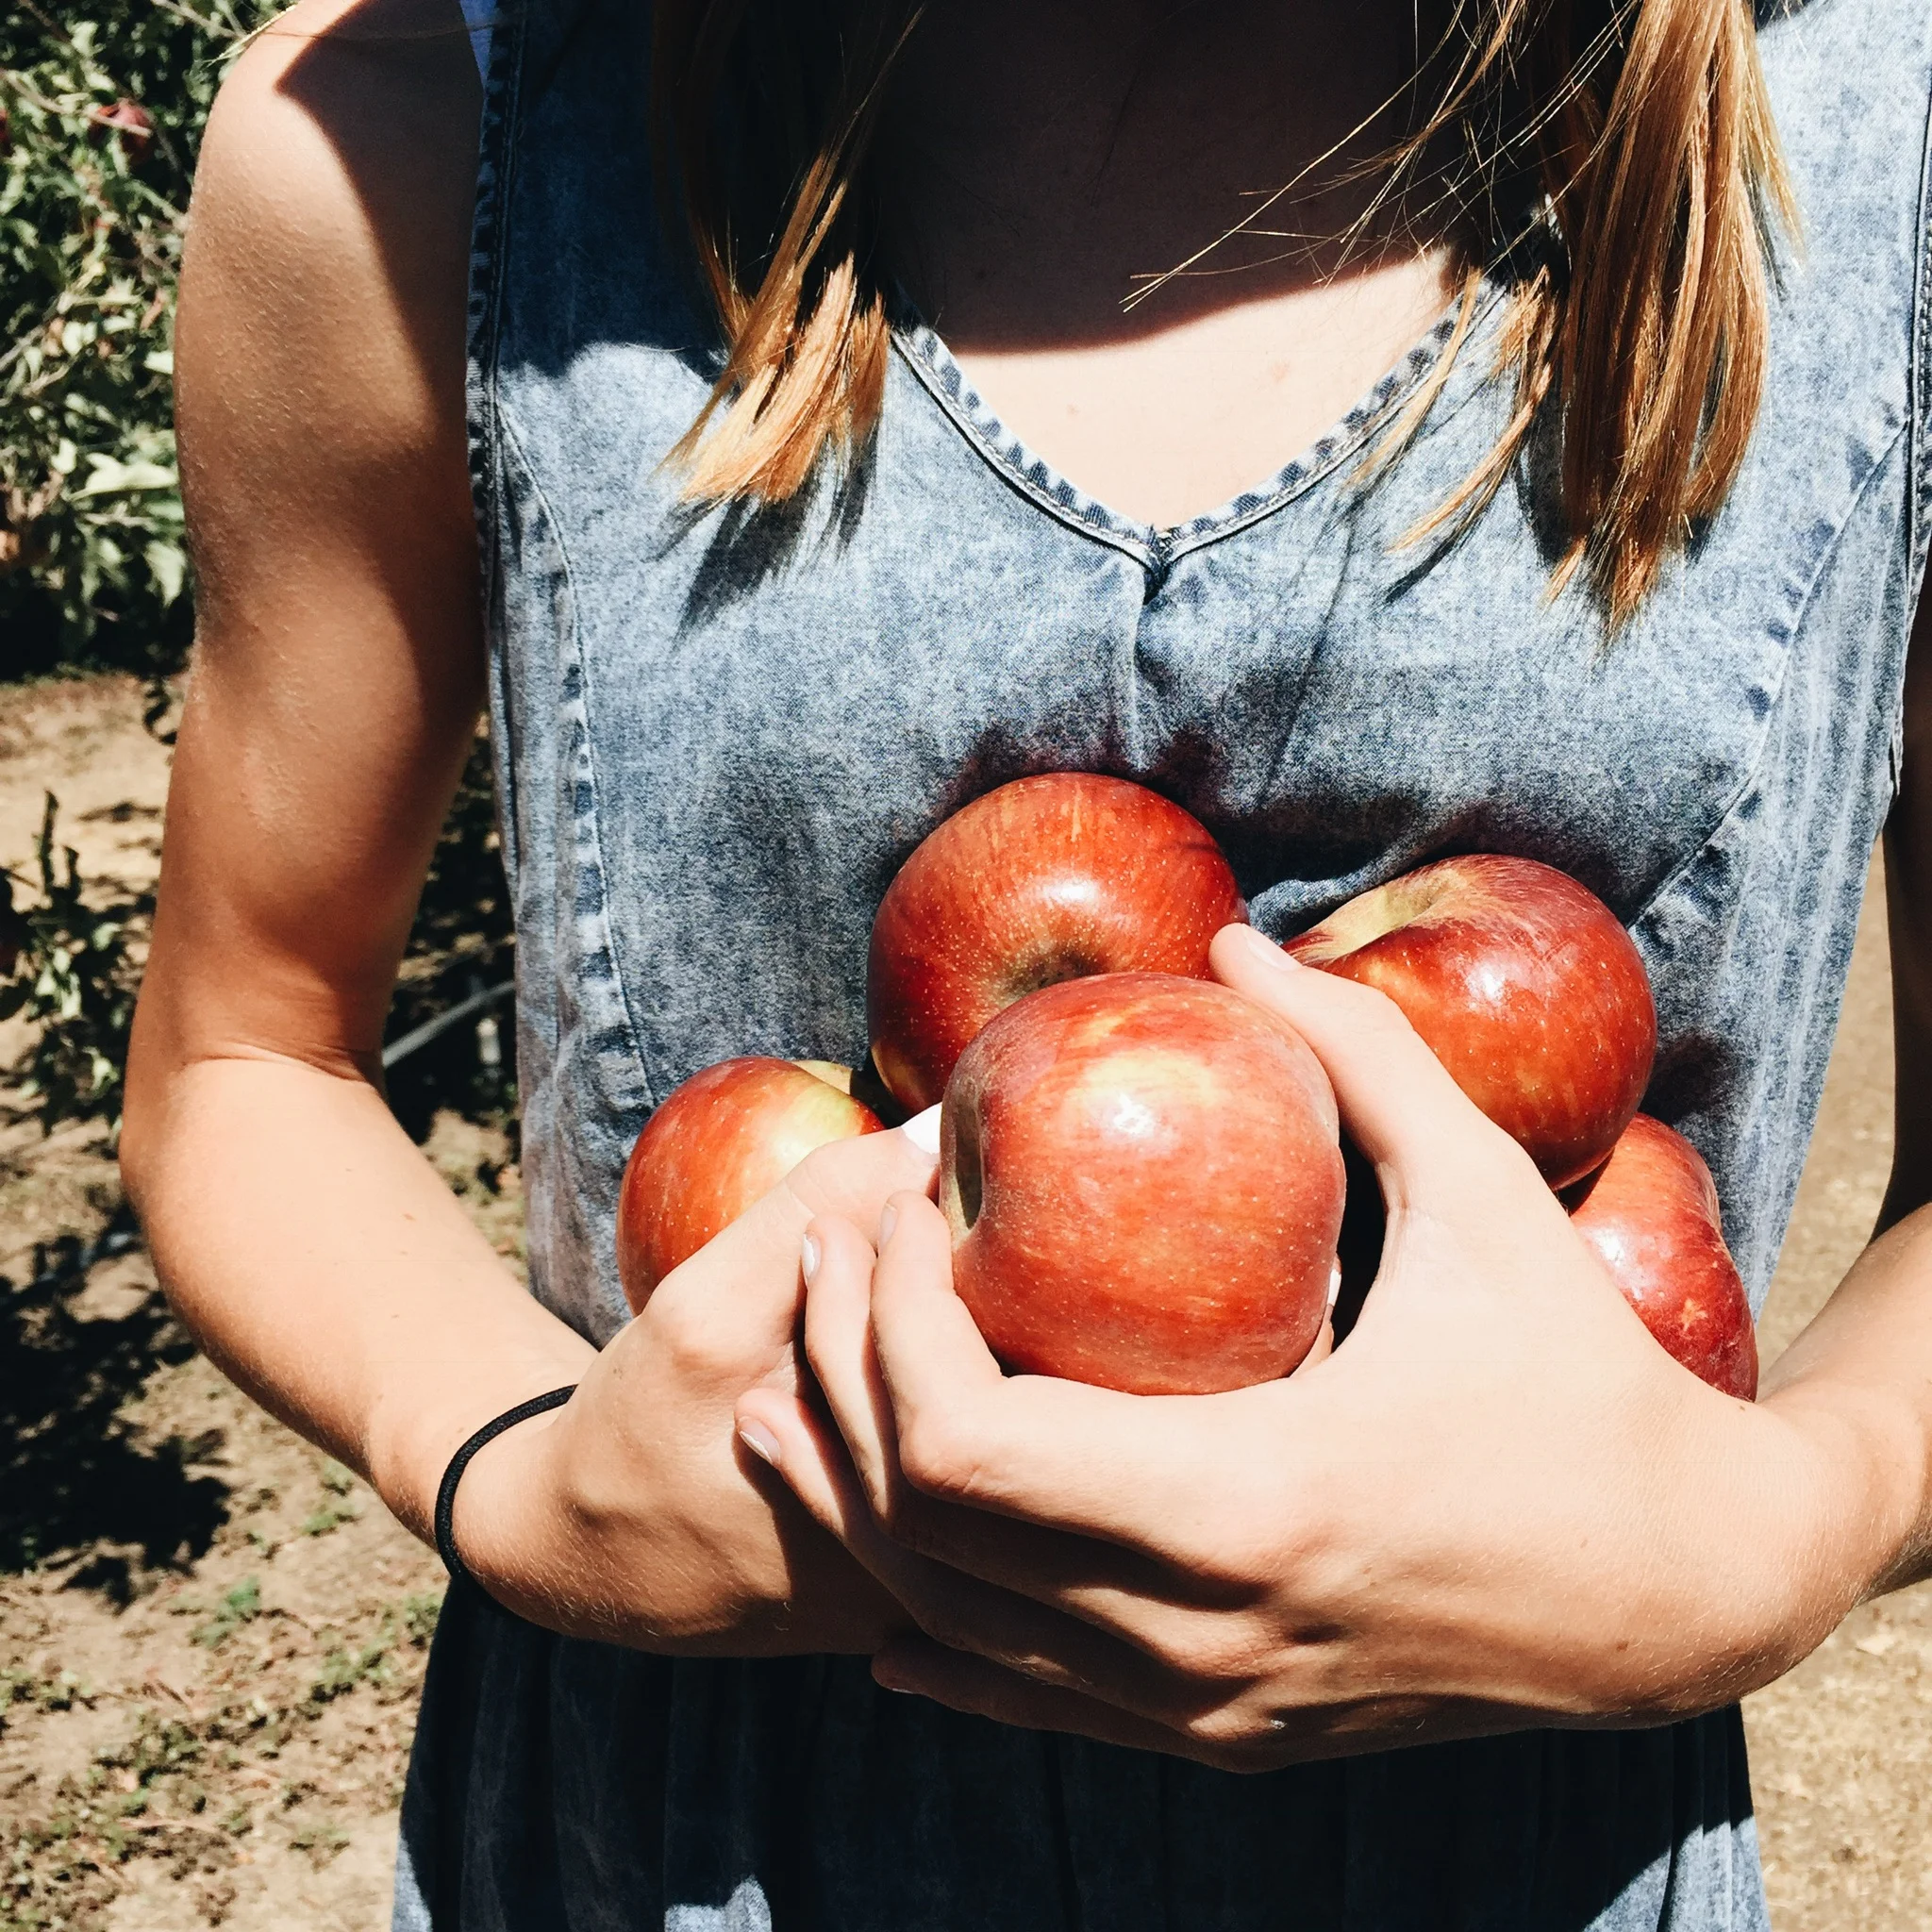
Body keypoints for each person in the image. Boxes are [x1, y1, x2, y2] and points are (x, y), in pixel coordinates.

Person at [122, 0, 1932, 1924]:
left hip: (1520, 1844)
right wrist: (514, 1472)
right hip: (693, 1843)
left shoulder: (1868, 138)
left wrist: (1779, 1537)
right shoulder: (432, 132)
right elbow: (246, 1060)